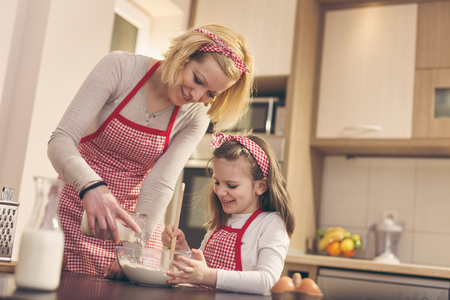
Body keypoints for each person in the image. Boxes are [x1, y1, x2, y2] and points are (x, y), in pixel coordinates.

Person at [47, 24, 254, 277]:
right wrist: (92, 187)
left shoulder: (195, 116)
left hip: (136, 226)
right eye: (197, 80)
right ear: (183, 54)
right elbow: (61, 140)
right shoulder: (121, 68)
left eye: (210, 93)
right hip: (77, 211)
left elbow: (160, 183)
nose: (196, 95)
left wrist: (136, 245)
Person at [162, 132, 295, 295]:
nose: (220, 191)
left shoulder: (271, 223)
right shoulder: (222, 220)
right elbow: (200, 273)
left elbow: (268, 282)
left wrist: (208, 276)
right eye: (217, 182)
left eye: (231, 185)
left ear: (261, 186)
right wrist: (180, 248)